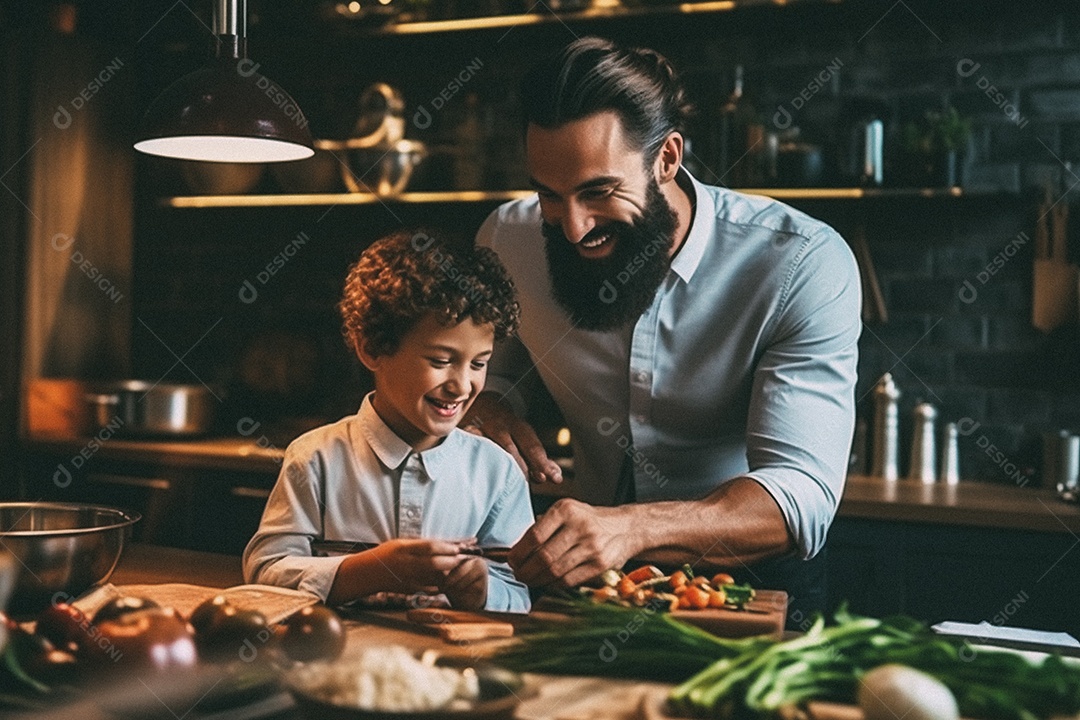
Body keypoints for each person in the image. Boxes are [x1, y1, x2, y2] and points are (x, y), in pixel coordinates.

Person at [469, 37, 861, 621]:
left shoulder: (800, 262)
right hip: (588, 578)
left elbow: (800, 493)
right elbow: (493, 375)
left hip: (746, 582)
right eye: (549, 194)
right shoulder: (507, 240)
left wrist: (631, 529)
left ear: (667, 159)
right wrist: (490, 405)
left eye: (599, 191)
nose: (573, 228)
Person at [243, 229, 533, 612]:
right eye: (441, 361)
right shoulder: (315, 458)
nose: (462, 385)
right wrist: (374, 570)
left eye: (479, 364)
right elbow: (264, 573)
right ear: (372, 349)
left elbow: (520, 594)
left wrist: (483, 591)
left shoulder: (498, 472)